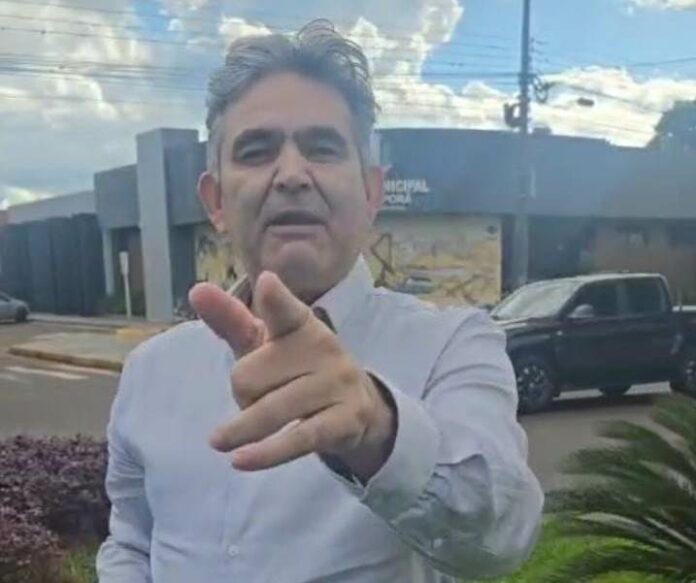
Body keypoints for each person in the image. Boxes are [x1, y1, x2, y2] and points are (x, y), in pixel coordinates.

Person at [96, 19, 543, 583]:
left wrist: (378, 429)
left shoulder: (453, 344)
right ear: (215, 201)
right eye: (256, 151)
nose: (291, 174)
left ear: (372, 191)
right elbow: (131, 540)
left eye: (322, 148)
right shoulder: (150, 370)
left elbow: (501, 539)